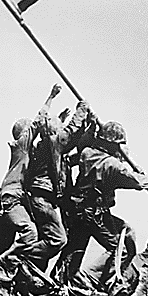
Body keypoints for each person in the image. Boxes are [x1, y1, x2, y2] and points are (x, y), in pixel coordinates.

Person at [55, 121, 148, 292]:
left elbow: (72, 159)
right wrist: (140, 174)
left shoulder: (87, 153)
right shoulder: (113, 165)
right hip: (95, 213)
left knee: (74, 248)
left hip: (77, 209)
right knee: (123, 245)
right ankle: (90, 279)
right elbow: (139, 183)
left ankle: (60, 281)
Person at [0, 84, 62, 281]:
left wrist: (59, 121)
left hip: (15, 198)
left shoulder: (26, 152)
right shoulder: (22, 145)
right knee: (29, 232)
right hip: (12, 198)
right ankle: (6, 265)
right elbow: (39, 122)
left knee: (6, 240)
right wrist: (51, 97)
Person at [24, 100, 91, 271]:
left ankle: (31, 277)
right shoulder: (53, 143)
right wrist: (82, 110)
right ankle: (18, 257)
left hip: (42, 199)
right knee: (57, 239)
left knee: (46, 240)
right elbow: (69, 133)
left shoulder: (49, 149)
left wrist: (89, 128)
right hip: (43, 200)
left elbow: (73, 144)